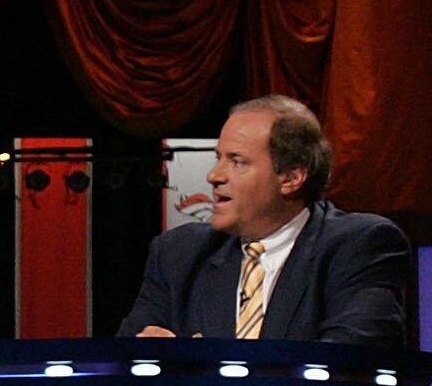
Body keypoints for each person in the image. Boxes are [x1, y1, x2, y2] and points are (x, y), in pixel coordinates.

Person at [118, 94, 407, 346]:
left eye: (237, 161)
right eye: (218, 158)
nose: (214, 176)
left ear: (292, 177)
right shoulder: (179, 253)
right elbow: (126, 359)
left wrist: (203, 364)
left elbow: (348, 359)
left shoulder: (359, 245)